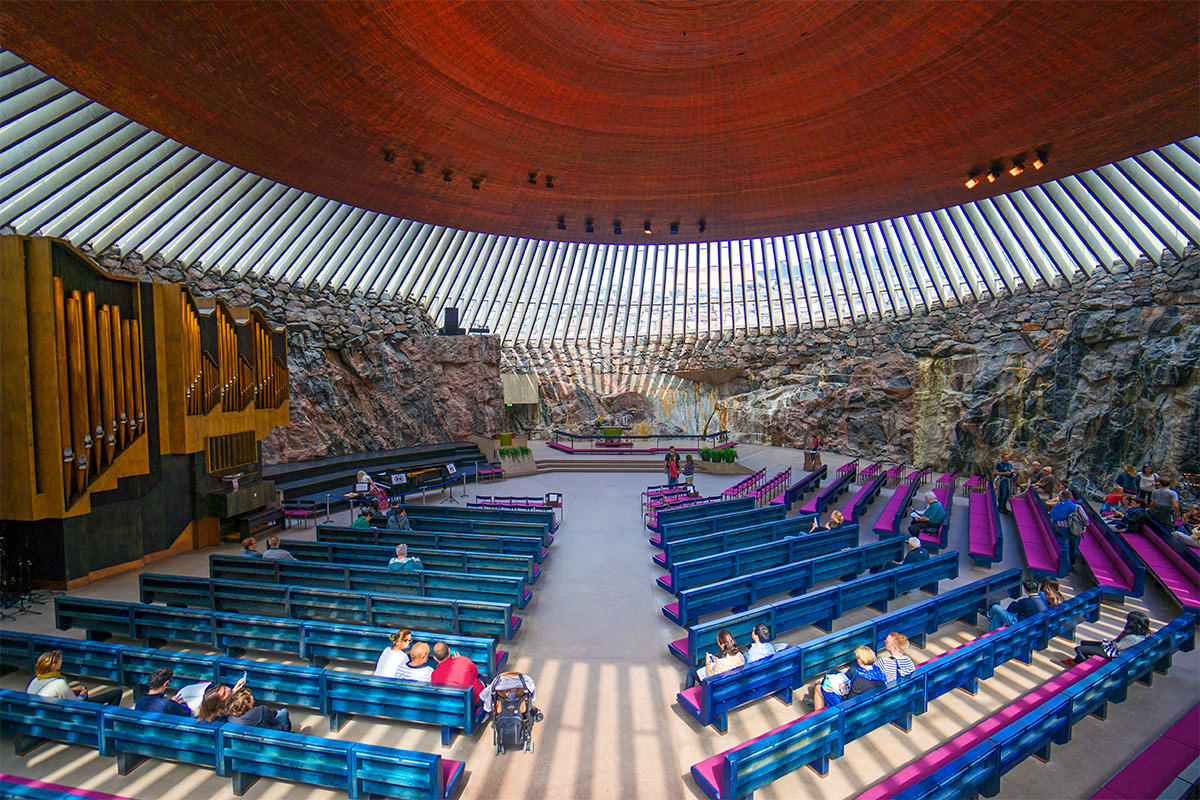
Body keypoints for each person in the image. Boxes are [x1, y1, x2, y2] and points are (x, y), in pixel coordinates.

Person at [25, 650, 122, 705]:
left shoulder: (34, 681)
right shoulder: (59, 683)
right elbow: (75, 703)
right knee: (117, 692)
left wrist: (72, 689)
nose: (61, 661)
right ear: (53, 666)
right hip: (68, 715)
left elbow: (50, 693)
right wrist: (83, 695)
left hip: (48, 714)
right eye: (60, 660)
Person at [810, 645, 886, 711]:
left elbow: (848, 701)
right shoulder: (878, 672)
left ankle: (818, 718)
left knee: (819, 688)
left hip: (850, 710)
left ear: (860, 660)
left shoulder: (860, 679)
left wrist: (843, 689)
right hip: (869, 705)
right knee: (831, 675)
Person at [1073, 611, 1150, 662]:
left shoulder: (1132, 638)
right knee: (1084, 643)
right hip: (1116, 649)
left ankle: (1084, 663)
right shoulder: (1143, 634)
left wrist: (1122, 634)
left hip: (1114, 653)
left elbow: (1118, 646)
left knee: (1079, 649)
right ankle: (1076, 660)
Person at [212, 687, 292, 731]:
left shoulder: (230, 718)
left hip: (253, 743)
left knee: (273, 712)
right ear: (248, 702)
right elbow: (273, 722)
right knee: (283, 711)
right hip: (273, 737)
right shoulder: (261, 710)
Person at [1049, 489, 1085, 568]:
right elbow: (1085, 519)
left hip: (1062, 529)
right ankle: (1072, 563)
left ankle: (1066, 567)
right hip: (1075, 529)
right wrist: (1084, 526)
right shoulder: (1076, 507)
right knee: (1074, 546)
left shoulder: (1057, 506)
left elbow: (1052, 518)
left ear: (1061, 497)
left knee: (1065, 547)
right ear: (1071, 497)